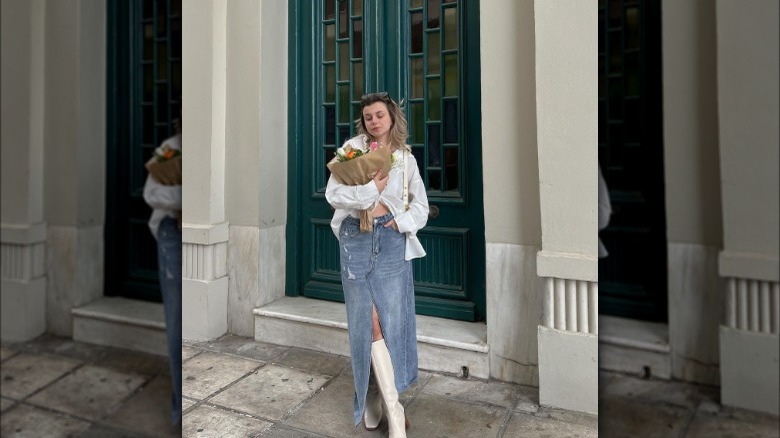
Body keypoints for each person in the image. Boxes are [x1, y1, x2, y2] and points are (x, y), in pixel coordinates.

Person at [325, 92, 429, 438]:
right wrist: (370, 190)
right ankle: (395, 412)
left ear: (391, 117)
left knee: (392, 323)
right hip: (356, 238)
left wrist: (400, 222)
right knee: (367, 324)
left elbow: (421, 205)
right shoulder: (350, 150)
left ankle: (377, 398)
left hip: (390, 241)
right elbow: (333, 194)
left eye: (379, 115)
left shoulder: (404, 158)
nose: (374, 121)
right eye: (368, 116)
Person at [142, 113, 182, 426]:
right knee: (176, 321)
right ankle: (179, 410)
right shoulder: (171, 148)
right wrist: (185, 195)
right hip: (171, 233)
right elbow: (151, 194)